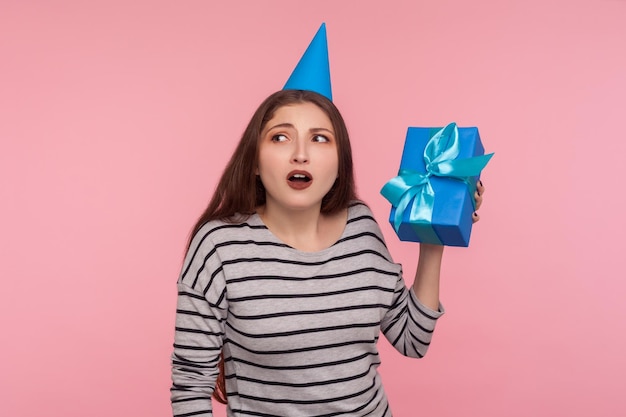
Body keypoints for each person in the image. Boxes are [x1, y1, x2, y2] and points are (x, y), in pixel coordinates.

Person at [169, 88, 485, 417]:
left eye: (320, 139)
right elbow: (190, 386)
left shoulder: (361, 225)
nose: (301, 154)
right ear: (255, 163)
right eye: (280, 138)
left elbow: (413, 340)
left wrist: (434, 232)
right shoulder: (219, 246)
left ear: (339, 165)